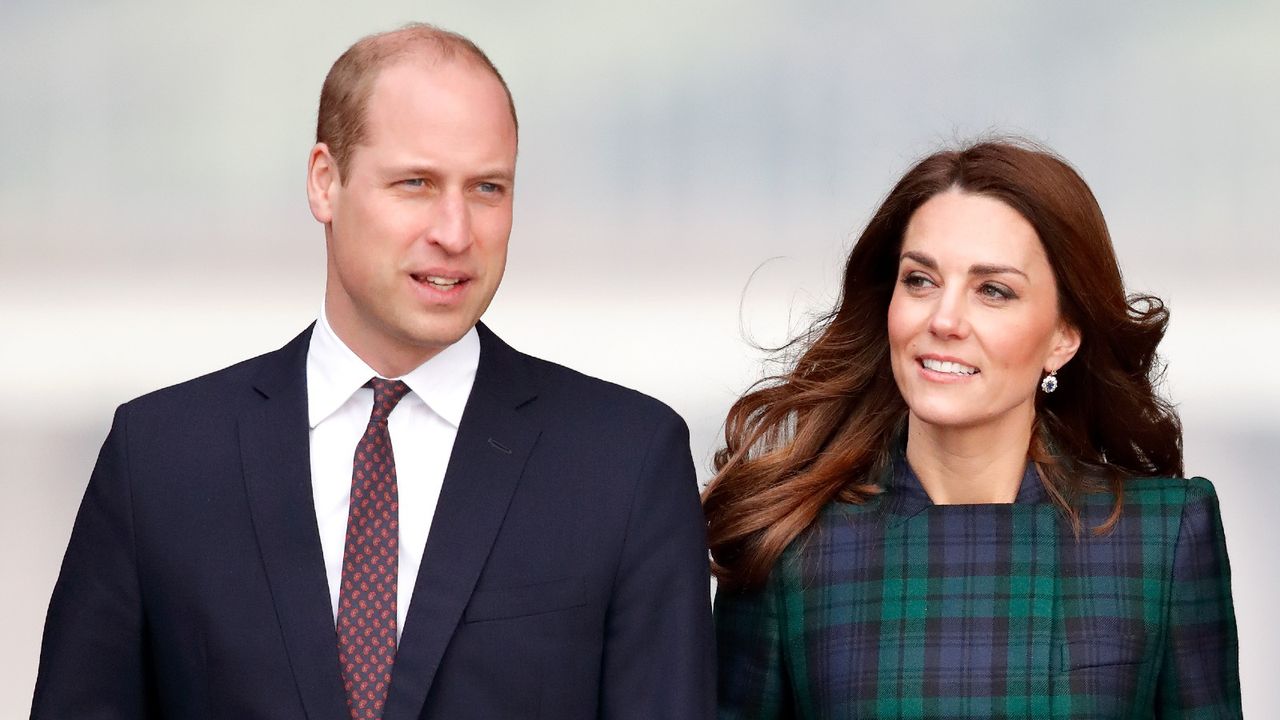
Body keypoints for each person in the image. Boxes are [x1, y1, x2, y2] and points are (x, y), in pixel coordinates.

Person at [32, 23, 714, 720]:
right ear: (325, 183)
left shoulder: (624, 462)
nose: (455, 231)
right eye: (415, 183)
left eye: (486, 187)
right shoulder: (161, 458)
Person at [704, 140, 1241, 719]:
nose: (944, 319)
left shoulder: (1161, 536)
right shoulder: (791, 544)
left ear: (1063, 336)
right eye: (920, 280)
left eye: (993, 290)